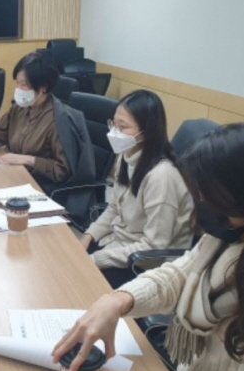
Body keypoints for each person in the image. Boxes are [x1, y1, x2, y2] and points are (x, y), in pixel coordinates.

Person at [52, 122, 244, 371]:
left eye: (212, 198)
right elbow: (176, 276)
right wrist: (117, 301)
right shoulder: (233, 234)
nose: (202, 204)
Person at [0, 52, 94, 217]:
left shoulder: (59, 120)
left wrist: (27, 159)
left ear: (43, 87)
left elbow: (62, 170)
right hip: (14, 177)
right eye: (17, 83)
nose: (18, 89)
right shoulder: (20, 108)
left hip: (40, 189)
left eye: (24, 85)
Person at [81, 90, 193, 288]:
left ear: (147, 131)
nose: (115, 132)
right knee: (66, 261)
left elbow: (154, 246)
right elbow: (114, 208)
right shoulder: (127, 155)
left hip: (144, 264)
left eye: (123, 127)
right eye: (114, 124)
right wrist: (89, 236)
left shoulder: (161, 176)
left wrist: (98, 258)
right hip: (119, 245)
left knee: (79, 285)